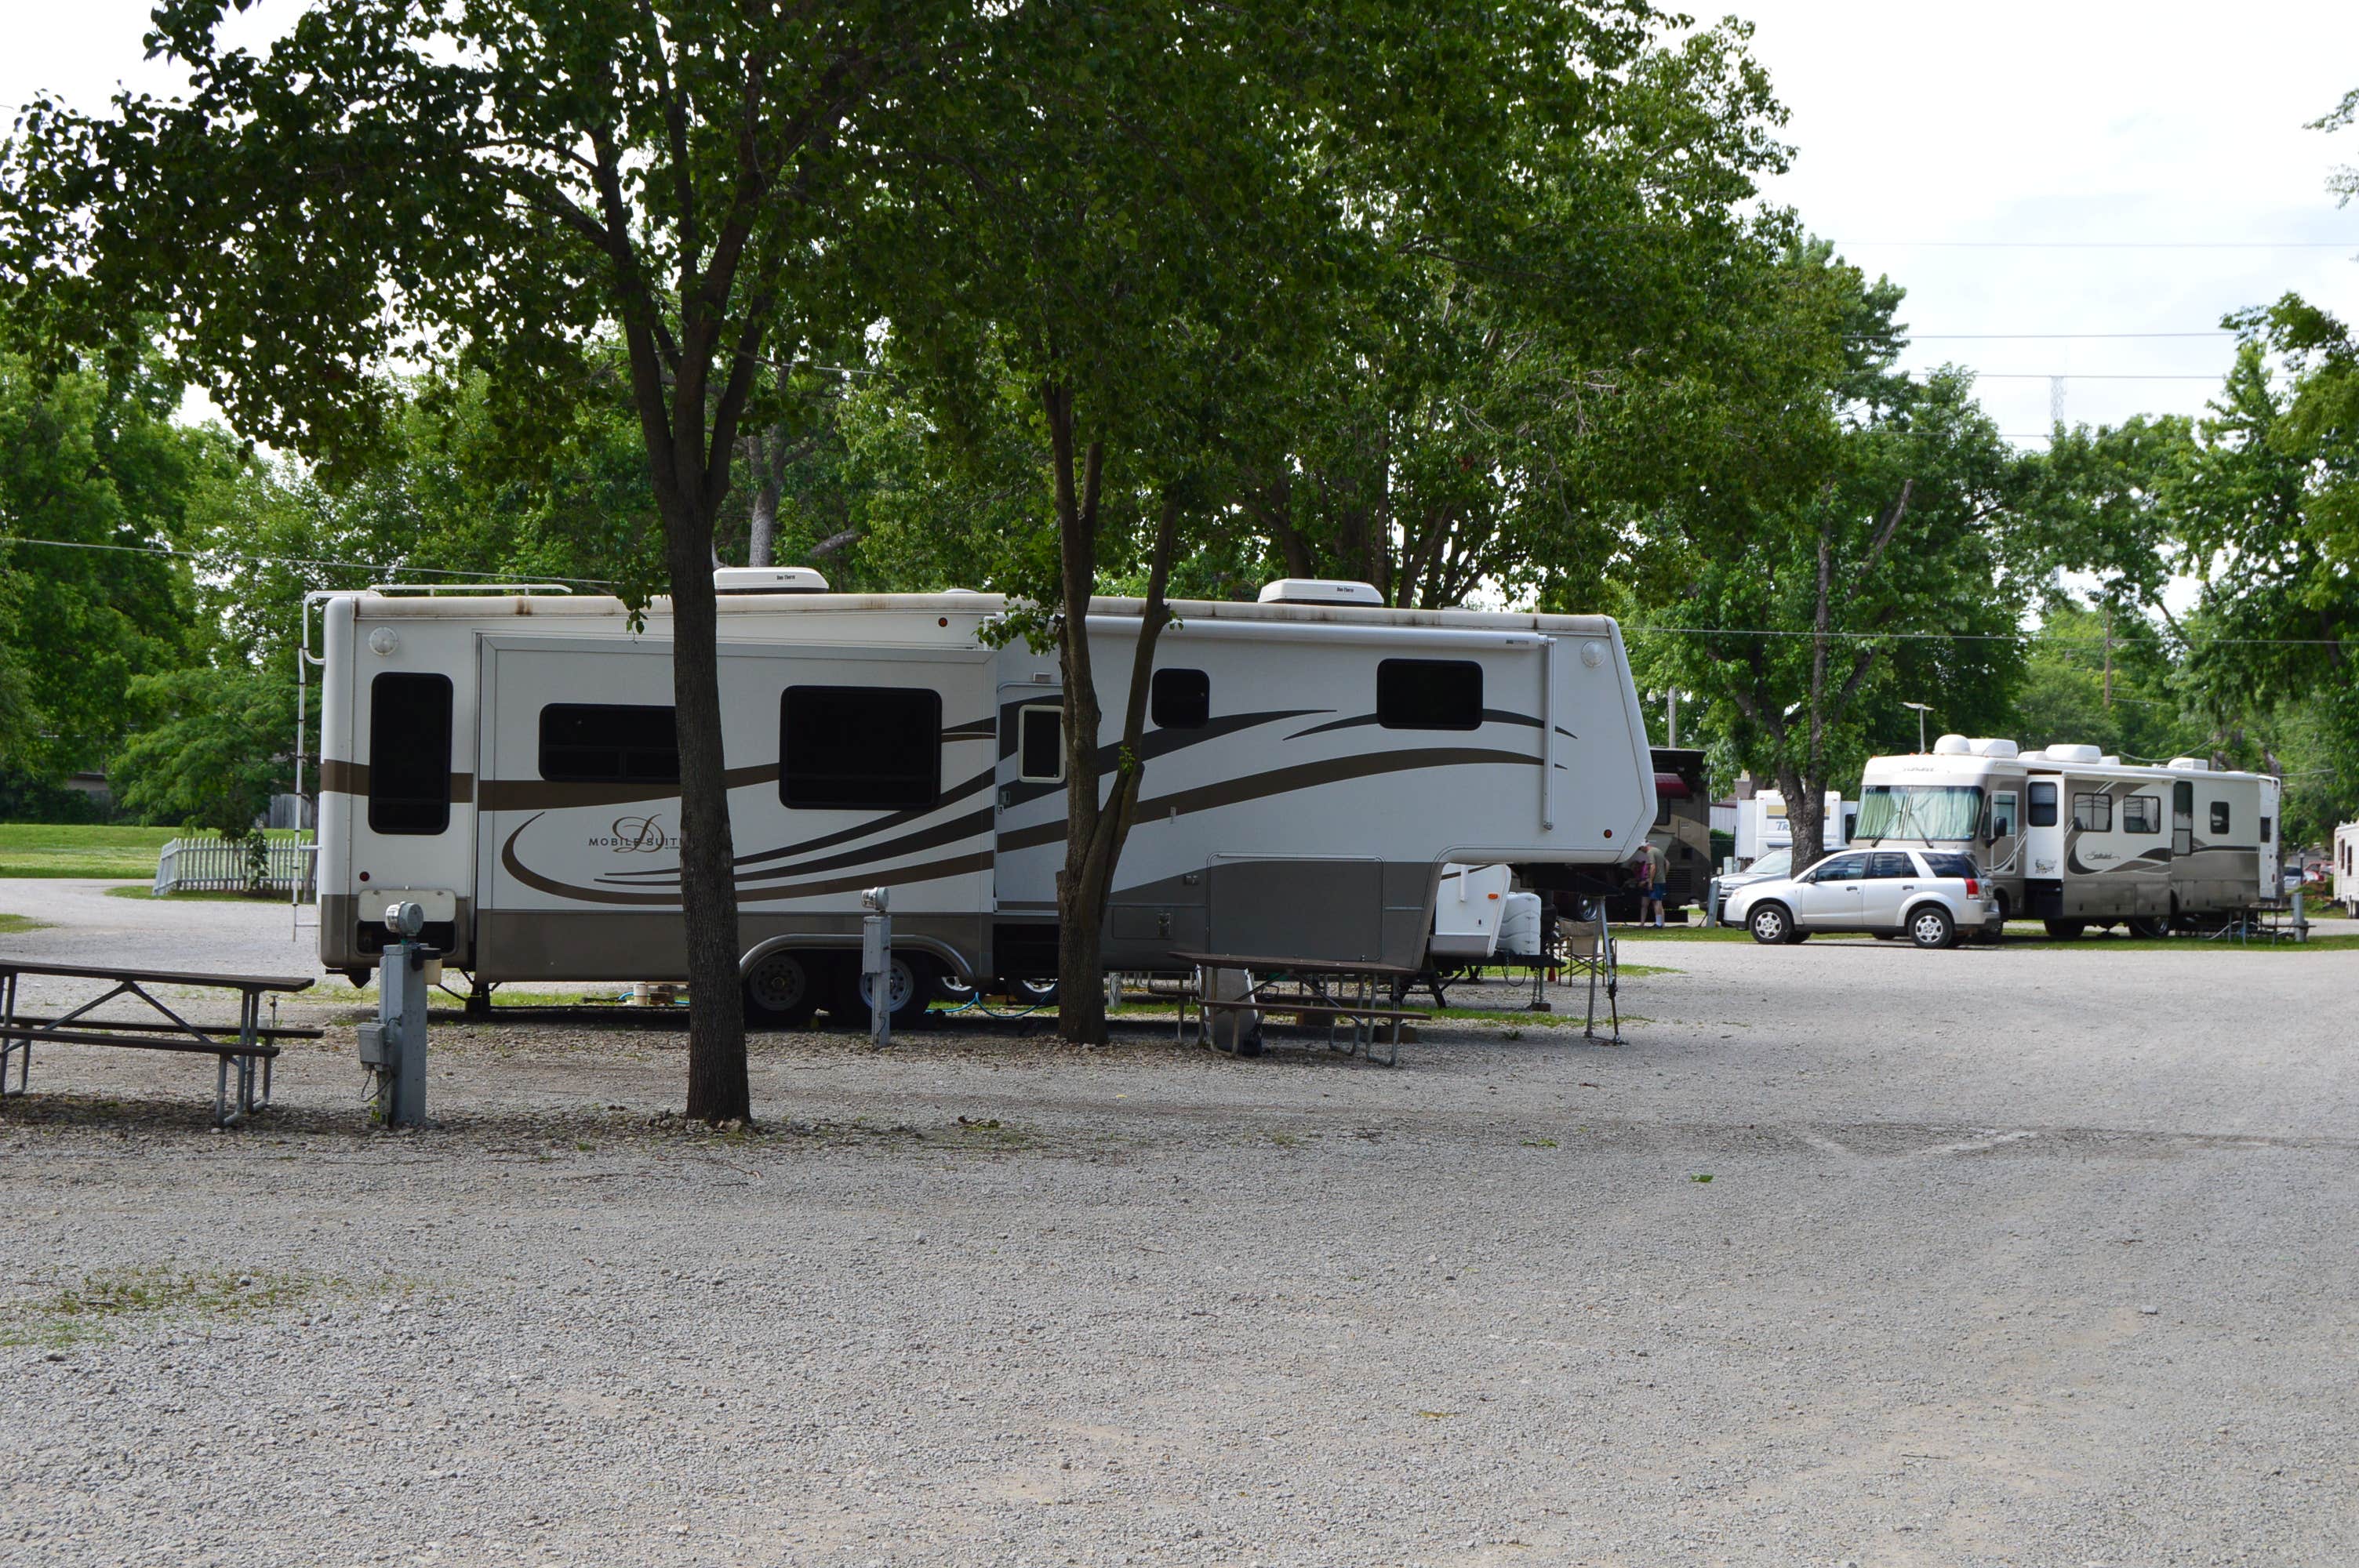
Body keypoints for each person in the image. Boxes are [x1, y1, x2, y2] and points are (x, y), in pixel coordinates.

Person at [1641, 840, 1670, 928]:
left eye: (1640, 848)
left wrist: (1650, 881)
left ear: (1643, 846)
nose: (1641, 850)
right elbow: (1667, 863)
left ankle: (1658, 924)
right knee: (1658, 902)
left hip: (1656, 881)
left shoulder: (1650, 852)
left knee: (1656, 902)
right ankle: (1660, 923)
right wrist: (1664, 875)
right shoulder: (1658, 850)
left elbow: (1653, 867)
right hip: (1661, 880)